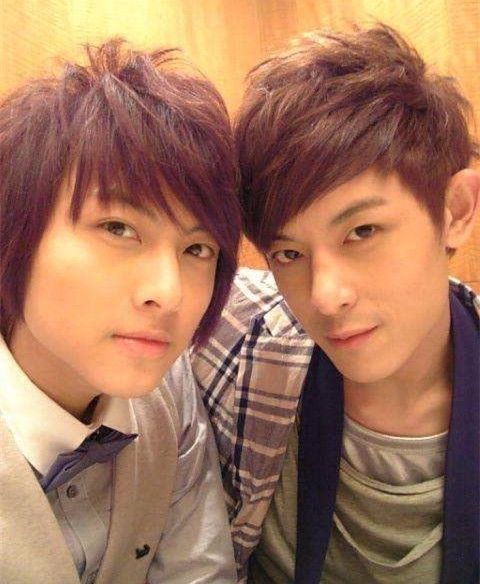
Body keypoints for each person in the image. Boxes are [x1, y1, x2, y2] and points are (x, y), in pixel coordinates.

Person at [192, 24, 479, 583]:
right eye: (289, 254)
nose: (324, 296)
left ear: (457, 210)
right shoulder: (234, 343)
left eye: (362, 231)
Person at [0, 39, 241, 584]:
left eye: (197, 248)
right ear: (16, 231)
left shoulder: (167, 392)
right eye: (118, 228)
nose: (169, 293)